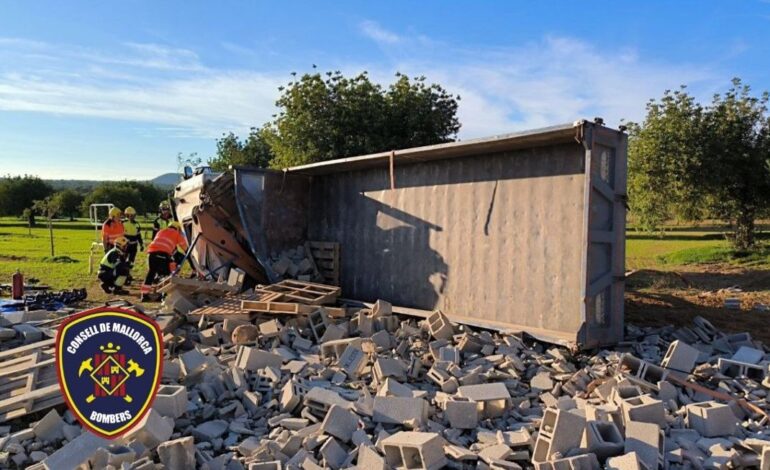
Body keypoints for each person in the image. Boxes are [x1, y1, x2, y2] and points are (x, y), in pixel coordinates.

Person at [141, 221, 188, 301]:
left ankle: (144, 295)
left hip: (151, 254)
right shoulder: (177, 234)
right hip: (163, 255)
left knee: (151, 273)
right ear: (177, 228)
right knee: (165, 275)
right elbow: (185, 247)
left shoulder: (161, 231)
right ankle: (162, 295)